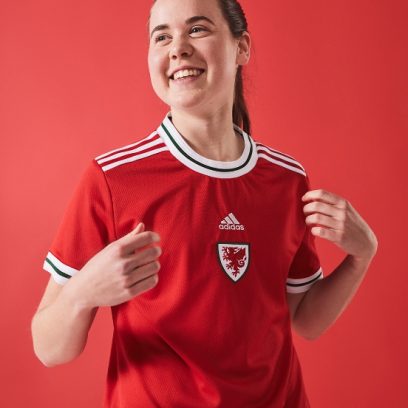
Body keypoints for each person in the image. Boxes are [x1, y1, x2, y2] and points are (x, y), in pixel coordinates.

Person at [31, 0, 378, 406]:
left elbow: (305, 319)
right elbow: (49, 349)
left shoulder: (287, 179)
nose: (178, 48)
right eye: (162, 36)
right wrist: (83, 292)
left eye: (197, 29)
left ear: (241, 48)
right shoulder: (112, 179)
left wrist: (361, 257)